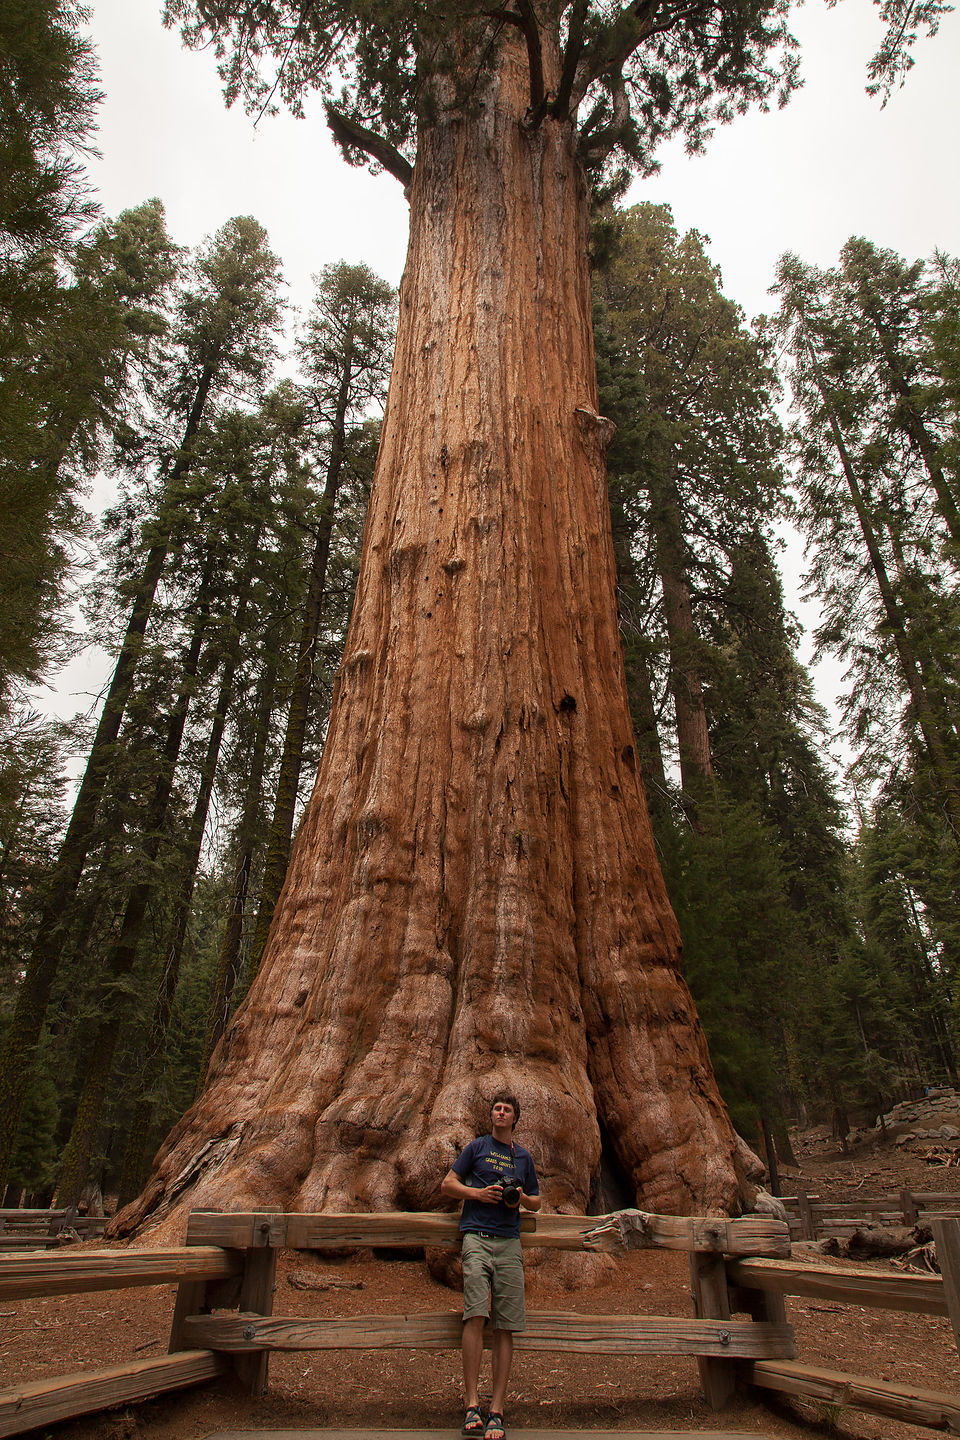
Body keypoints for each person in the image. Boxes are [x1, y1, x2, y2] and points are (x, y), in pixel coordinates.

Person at [441, 1092, 541, 1440]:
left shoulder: (523, 1157)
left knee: (505, 1325)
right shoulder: (476, 1148)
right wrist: (479, 1194)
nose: (501, 1113)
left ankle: (496, 1409)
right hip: (477, 1239)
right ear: (491, 1115)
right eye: (497, 1109)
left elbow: (537, 1202)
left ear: (515, 1118)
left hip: (509, 1244)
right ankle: (471, 1403)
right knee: (475, 1315)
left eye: (507, 1109)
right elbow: (448, 1184)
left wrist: (520, 1200)